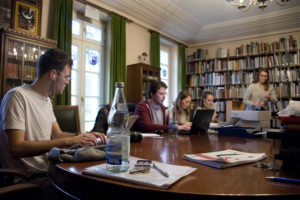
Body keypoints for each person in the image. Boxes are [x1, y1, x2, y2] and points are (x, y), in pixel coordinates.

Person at [0, 48, 106, 199]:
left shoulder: (46, 100)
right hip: (27, 179)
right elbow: (16, 148)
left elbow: (58, 134)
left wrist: (83, 136)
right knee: (85, 192)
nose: (67, 82)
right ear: (53, 74)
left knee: (94, 184)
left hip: (48, 171)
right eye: (66, 77)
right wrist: (69, 141)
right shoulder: (17, 96)